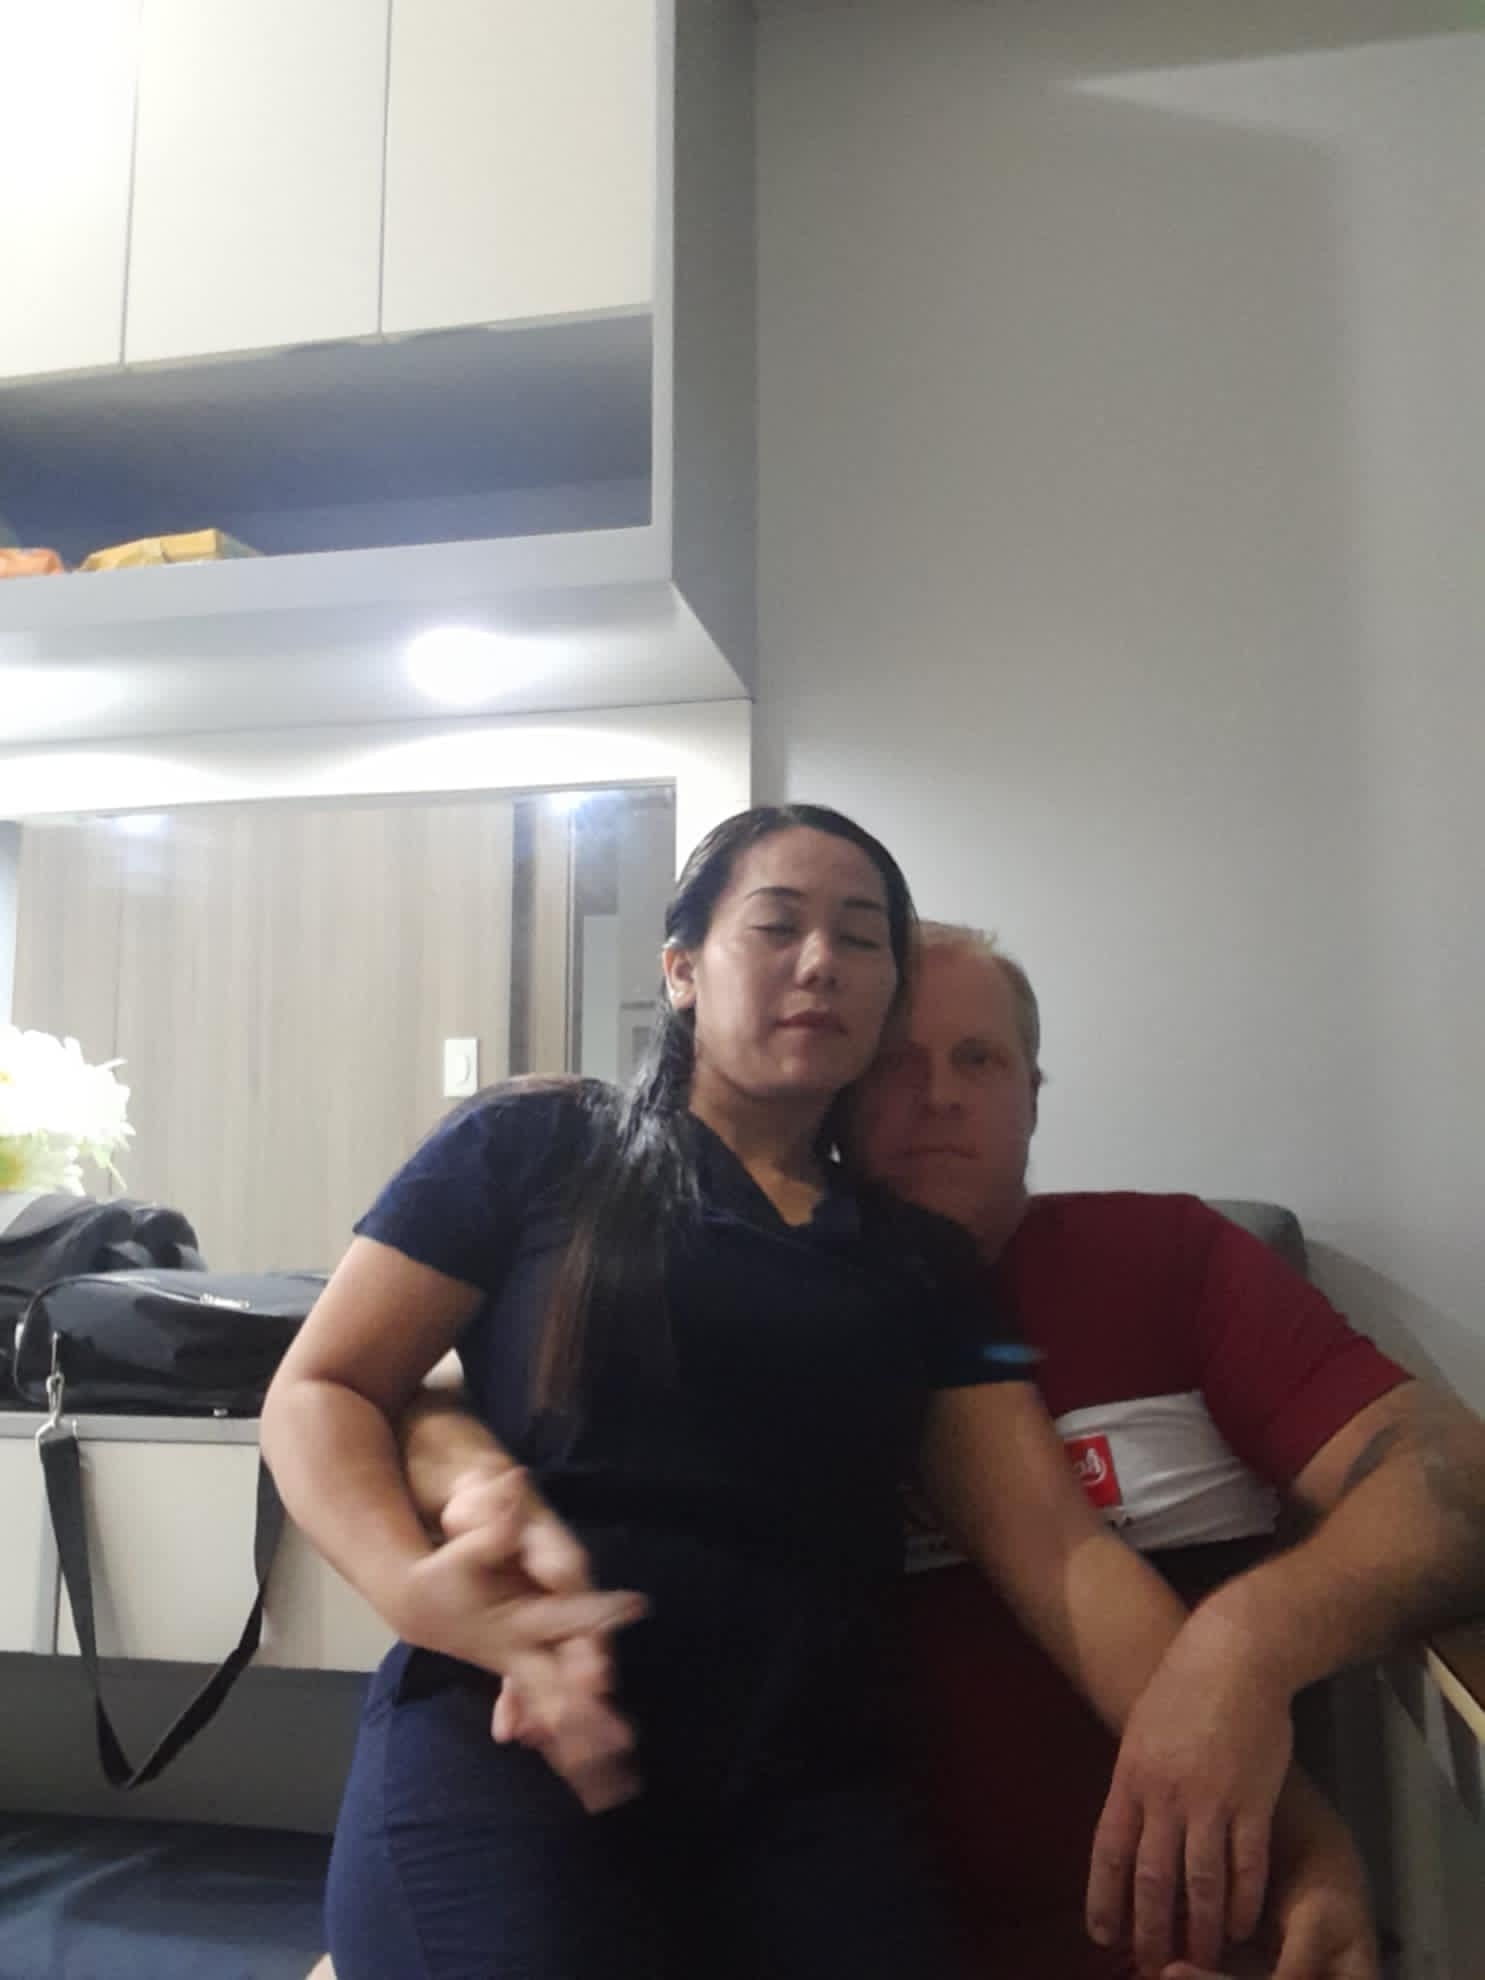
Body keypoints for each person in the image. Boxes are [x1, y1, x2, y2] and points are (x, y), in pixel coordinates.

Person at [264, 806, 1315, 1980]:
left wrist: (1300, 1833)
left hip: (808, 1786)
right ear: (682, 969)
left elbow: (1058, 1551)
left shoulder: (919, 1262)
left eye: (861, 939)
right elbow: (326, 1385)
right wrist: (415, 1591)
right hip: (518, 1733)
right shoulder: (535, 1145)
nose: (821, 962)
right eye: (777, 926)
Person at [850, 921, 1485, 1978]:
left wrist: (1242, 1645)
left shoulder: (1167, 1259)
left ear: (1032, 1097)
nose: (941, 1095)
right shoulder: (772, 1313)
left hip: (1214, 1935)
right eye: (895, 1063)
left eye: (980, 1060)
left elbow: (1451, 1474)